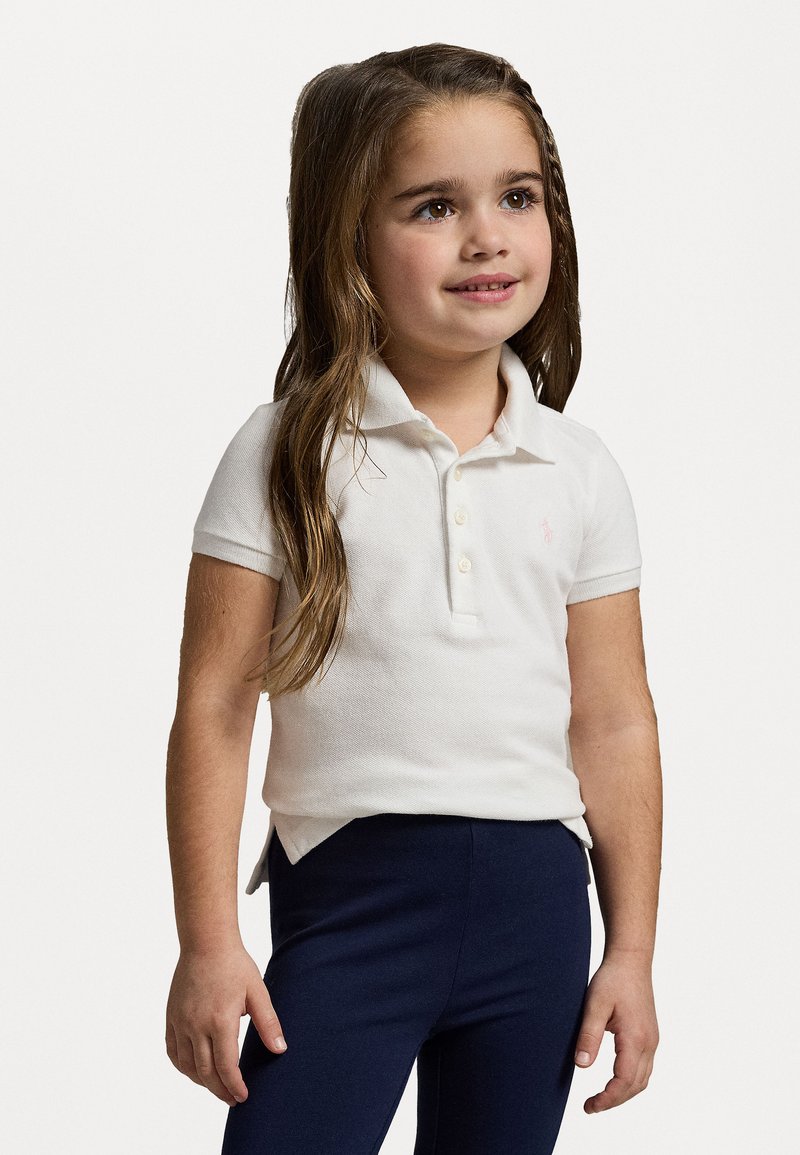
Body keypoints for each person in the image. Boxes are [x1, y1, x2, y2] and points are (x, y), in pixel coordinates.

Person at [165, 42, 662, 1155]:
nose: (487, 236)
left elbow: (614, 717)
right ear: (348, 237)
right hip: (353, 899)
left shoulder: (579, 468)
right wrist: (208, 941)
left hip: (538, 910)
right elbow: (214, 704)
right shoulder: (286, 451)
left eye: (517, 197)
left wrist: (629, 950)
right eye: (435, 206)